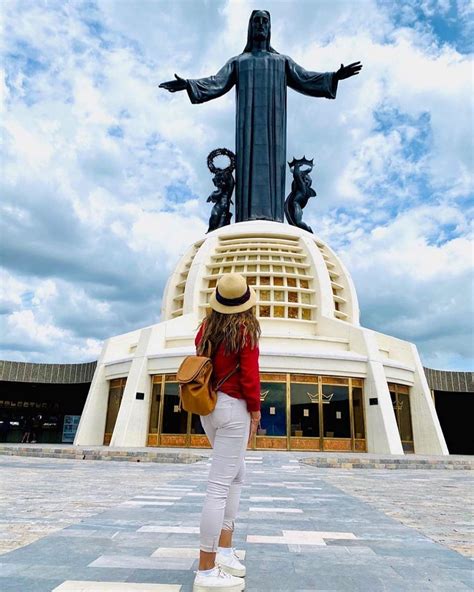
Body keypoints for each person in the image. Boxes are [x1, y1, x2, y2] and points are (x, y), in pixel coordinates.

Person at [160, 10, 362, 224]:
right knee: (249, 163)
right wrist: (188, 84)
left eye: (265, 21)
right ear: (250, 26)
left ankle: (273, 219)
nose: (260, 25)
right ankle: (246, 219)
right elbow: (216, 82)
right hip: (246, 128)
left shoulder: (281, 61)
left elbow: (305, 78)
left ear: (270, 27)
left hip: (274, 129)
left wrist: (334, 76)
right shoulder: (239, 61)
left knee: (273, 168)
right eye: (256, 21)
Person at [193, 272, 261, 592]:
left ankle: (224, 549)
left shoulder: (206, 329)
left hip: (209, 407)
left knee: (236, 476)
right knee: (218, 486)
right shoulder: (245, 331)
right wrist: (256, 412)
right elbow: (250, 376)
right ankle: (206, 569)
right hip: (234, 408)